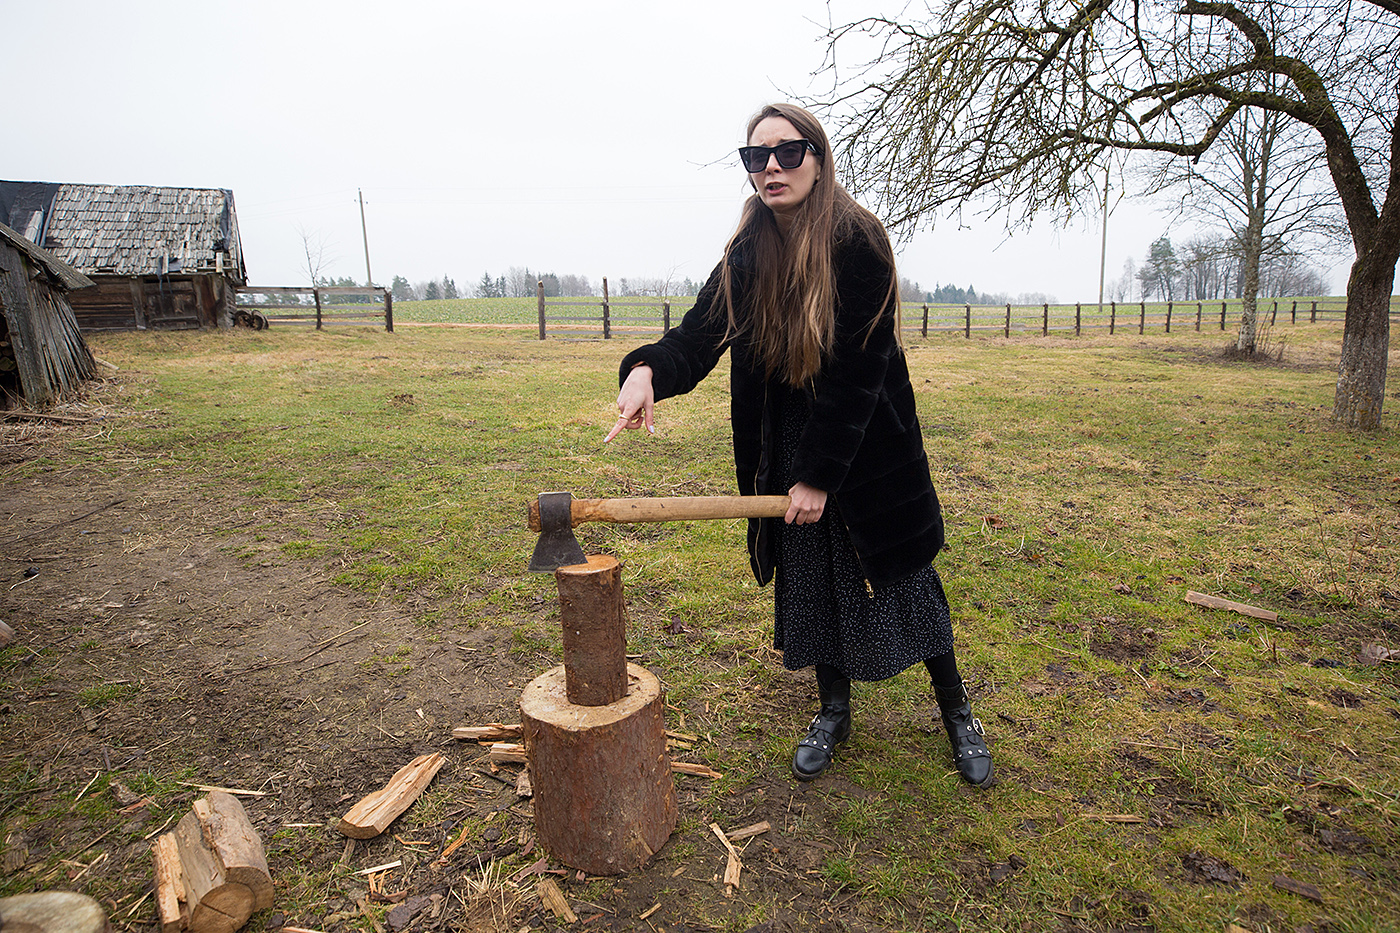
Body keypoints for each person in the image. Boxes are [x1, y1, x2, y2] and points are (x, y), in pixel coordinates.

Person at [604, 103, 992, 787]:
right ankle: (833, 709)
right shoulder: (747, 253)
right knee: (812, 580)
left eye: (787, 152)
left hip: (864, 445)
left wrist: (819, 474)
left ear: (818, 156)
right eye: (757, 157)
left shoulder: (858, 240)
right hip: (784, 446)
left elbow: (858, 373)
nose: (772, 168)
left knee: (902, 580)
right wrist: (645, 373)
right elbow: (697, 338)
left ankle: (957, 709)